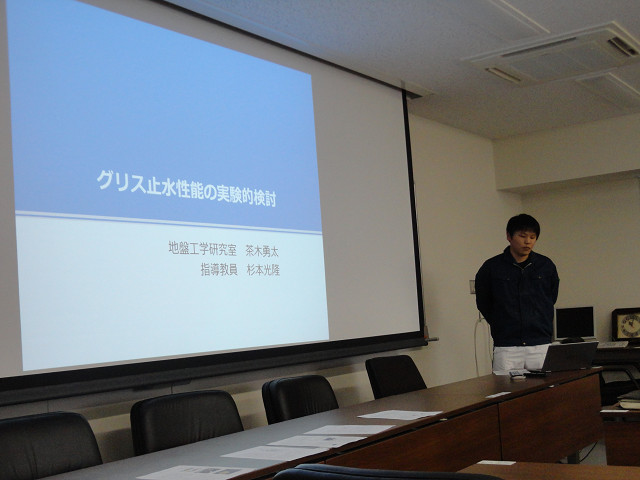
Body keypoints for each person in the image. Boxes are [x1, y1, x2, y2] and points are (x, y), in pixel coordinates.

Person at [475, 214, 560, 372]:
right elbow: (483, 302)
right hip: (507, 345)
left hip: (540, 343)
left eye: (532, 237)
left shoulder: (546, 266)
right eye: (522, 236)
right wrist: (501, 322)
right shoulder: (492, 267)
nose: (528, 241)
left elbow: (551, 297)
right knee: (505, 386)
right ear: (509, 236)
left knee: (545, 387)